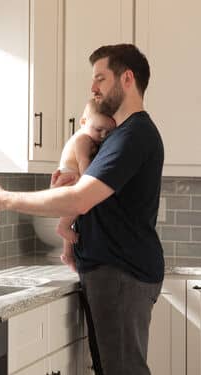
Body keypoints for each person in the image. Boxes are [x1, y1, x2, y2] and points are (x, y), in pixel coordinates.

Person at [0, 43, 164, 375]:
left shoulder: (134, 135)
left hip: (121, 273)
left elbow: (78, 198)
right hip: (113, 272)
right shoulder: (118, 135)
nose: (94, 88)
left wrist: (5, 199)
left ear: (128, 79)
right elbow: (85, 195)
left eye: (101, 78)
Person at [54, 99, 116, 271]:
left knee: (73, 210)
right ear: (83, 122)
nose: (102, 135)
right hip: (71, 173)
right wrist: (90, 183)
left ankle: (67, 254)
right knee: (75, 207)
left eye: (108, 131)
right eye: (98, 129)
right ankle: (63, 226)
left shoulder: (88, 136)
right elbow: (83, 163)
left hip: (69, 173)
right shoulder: (83, 139)